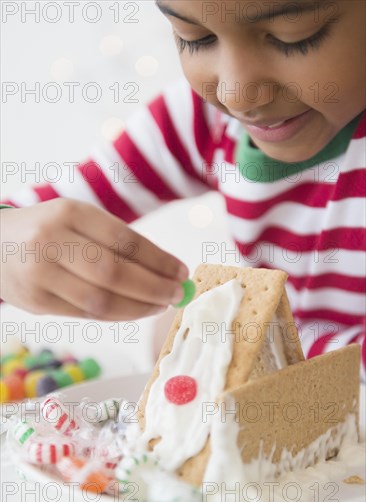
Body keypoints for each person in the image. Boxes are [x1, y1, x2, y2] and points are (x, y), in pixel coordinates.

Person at [1, 0, 365, 375]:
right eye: (196, 38)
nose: (237, 95)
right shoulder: (201, 121)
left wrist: (221, 337)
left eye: (293, 38)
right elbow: (35, 214)